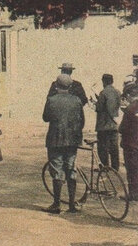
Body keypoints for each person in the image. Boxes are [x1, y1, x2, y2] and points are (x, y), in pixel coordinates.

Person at [43, 73, 85, 213]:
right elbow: (82, 121)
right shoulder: (77, 100)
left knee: (57, 170)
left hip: (55, 140)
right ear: (70, 86)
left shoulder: (51, 100)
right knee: (71, 169)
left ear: (56, 85)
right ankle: (72, 204)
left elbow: (45, 118)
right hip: (72, 140)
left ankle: (57, 204)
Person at [94, 73, 121, 170]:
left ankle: (104, 167)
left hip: (103, 125)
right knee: (114, 147)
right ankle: (115, 167)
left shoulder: (103, 92)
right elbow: (117, 105)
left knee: (102, 147)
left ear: (103, 81)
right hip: (114, 125)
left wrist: (95, 102)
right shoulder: (118, 92)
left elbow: (99, 108)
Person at [118, 83, 138, 201]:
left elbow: (122, 129)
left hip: (131, 145)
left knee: (131, 170)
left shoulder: (130, 109)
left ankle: (133, 194)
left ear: (130, 95)